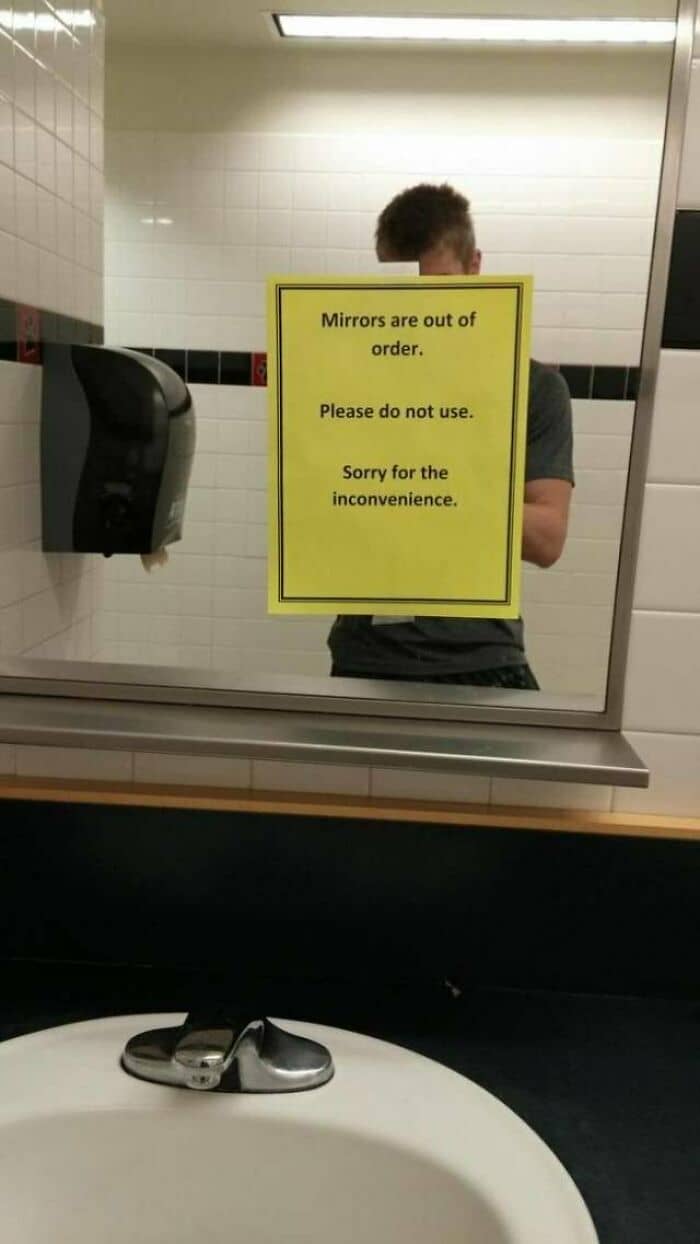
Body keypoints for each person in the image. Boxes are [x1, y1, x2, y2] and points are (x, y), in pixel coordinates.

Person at [328, 183, 574, 690]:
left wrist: (431, 489)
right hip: (366, 654)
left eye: (438, 287)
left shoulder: (531, 388)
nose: (422, 307)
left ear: (474, 267)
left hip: (481, 657)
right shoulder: (345, 387)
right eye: (403, 287)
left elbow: (547, 538)